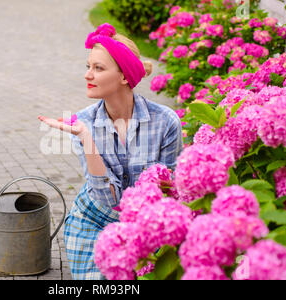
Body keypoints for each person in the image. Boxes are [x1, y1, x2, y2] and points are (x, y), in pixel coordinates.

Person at [38, 23, 183, 279]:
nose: (87, 75)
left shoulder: (165, 122)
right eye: (88, 66)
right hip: (93, 221)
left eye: (98, 68)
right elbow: (109, 199)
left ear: (124, 76)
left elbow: (171, 193)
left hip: (148, 225)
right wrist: (87, 139)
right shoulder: (83, 124)